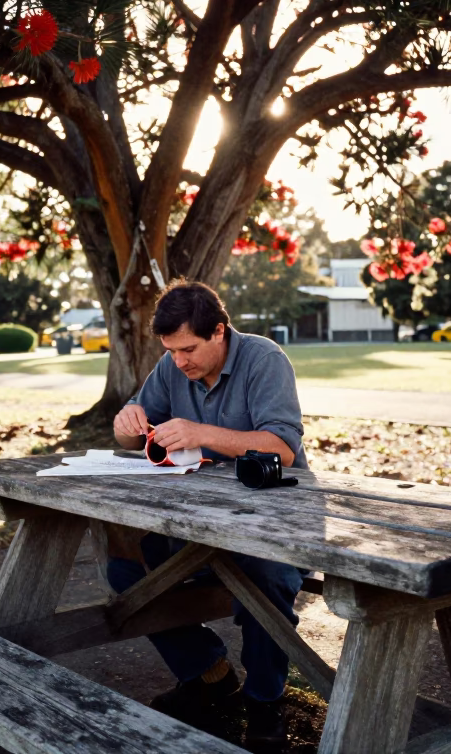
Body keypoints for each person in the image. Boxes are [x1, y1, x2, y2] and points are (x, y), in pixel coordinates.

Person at [111, 280, 306, 752]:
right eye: (171, 351)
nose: (180, 362)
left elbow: (283, 448)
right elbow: (135, 434)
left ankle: (265, 701)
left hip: (273, 522)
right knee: (126, 569)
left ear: (219, 331)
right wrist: (128, 424)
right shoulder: (172, 366)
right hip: (199, 523)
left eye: (188, 349)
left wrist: (202, 432)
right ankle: (210, 674)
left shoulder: (264, 359)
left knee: (268, 575)